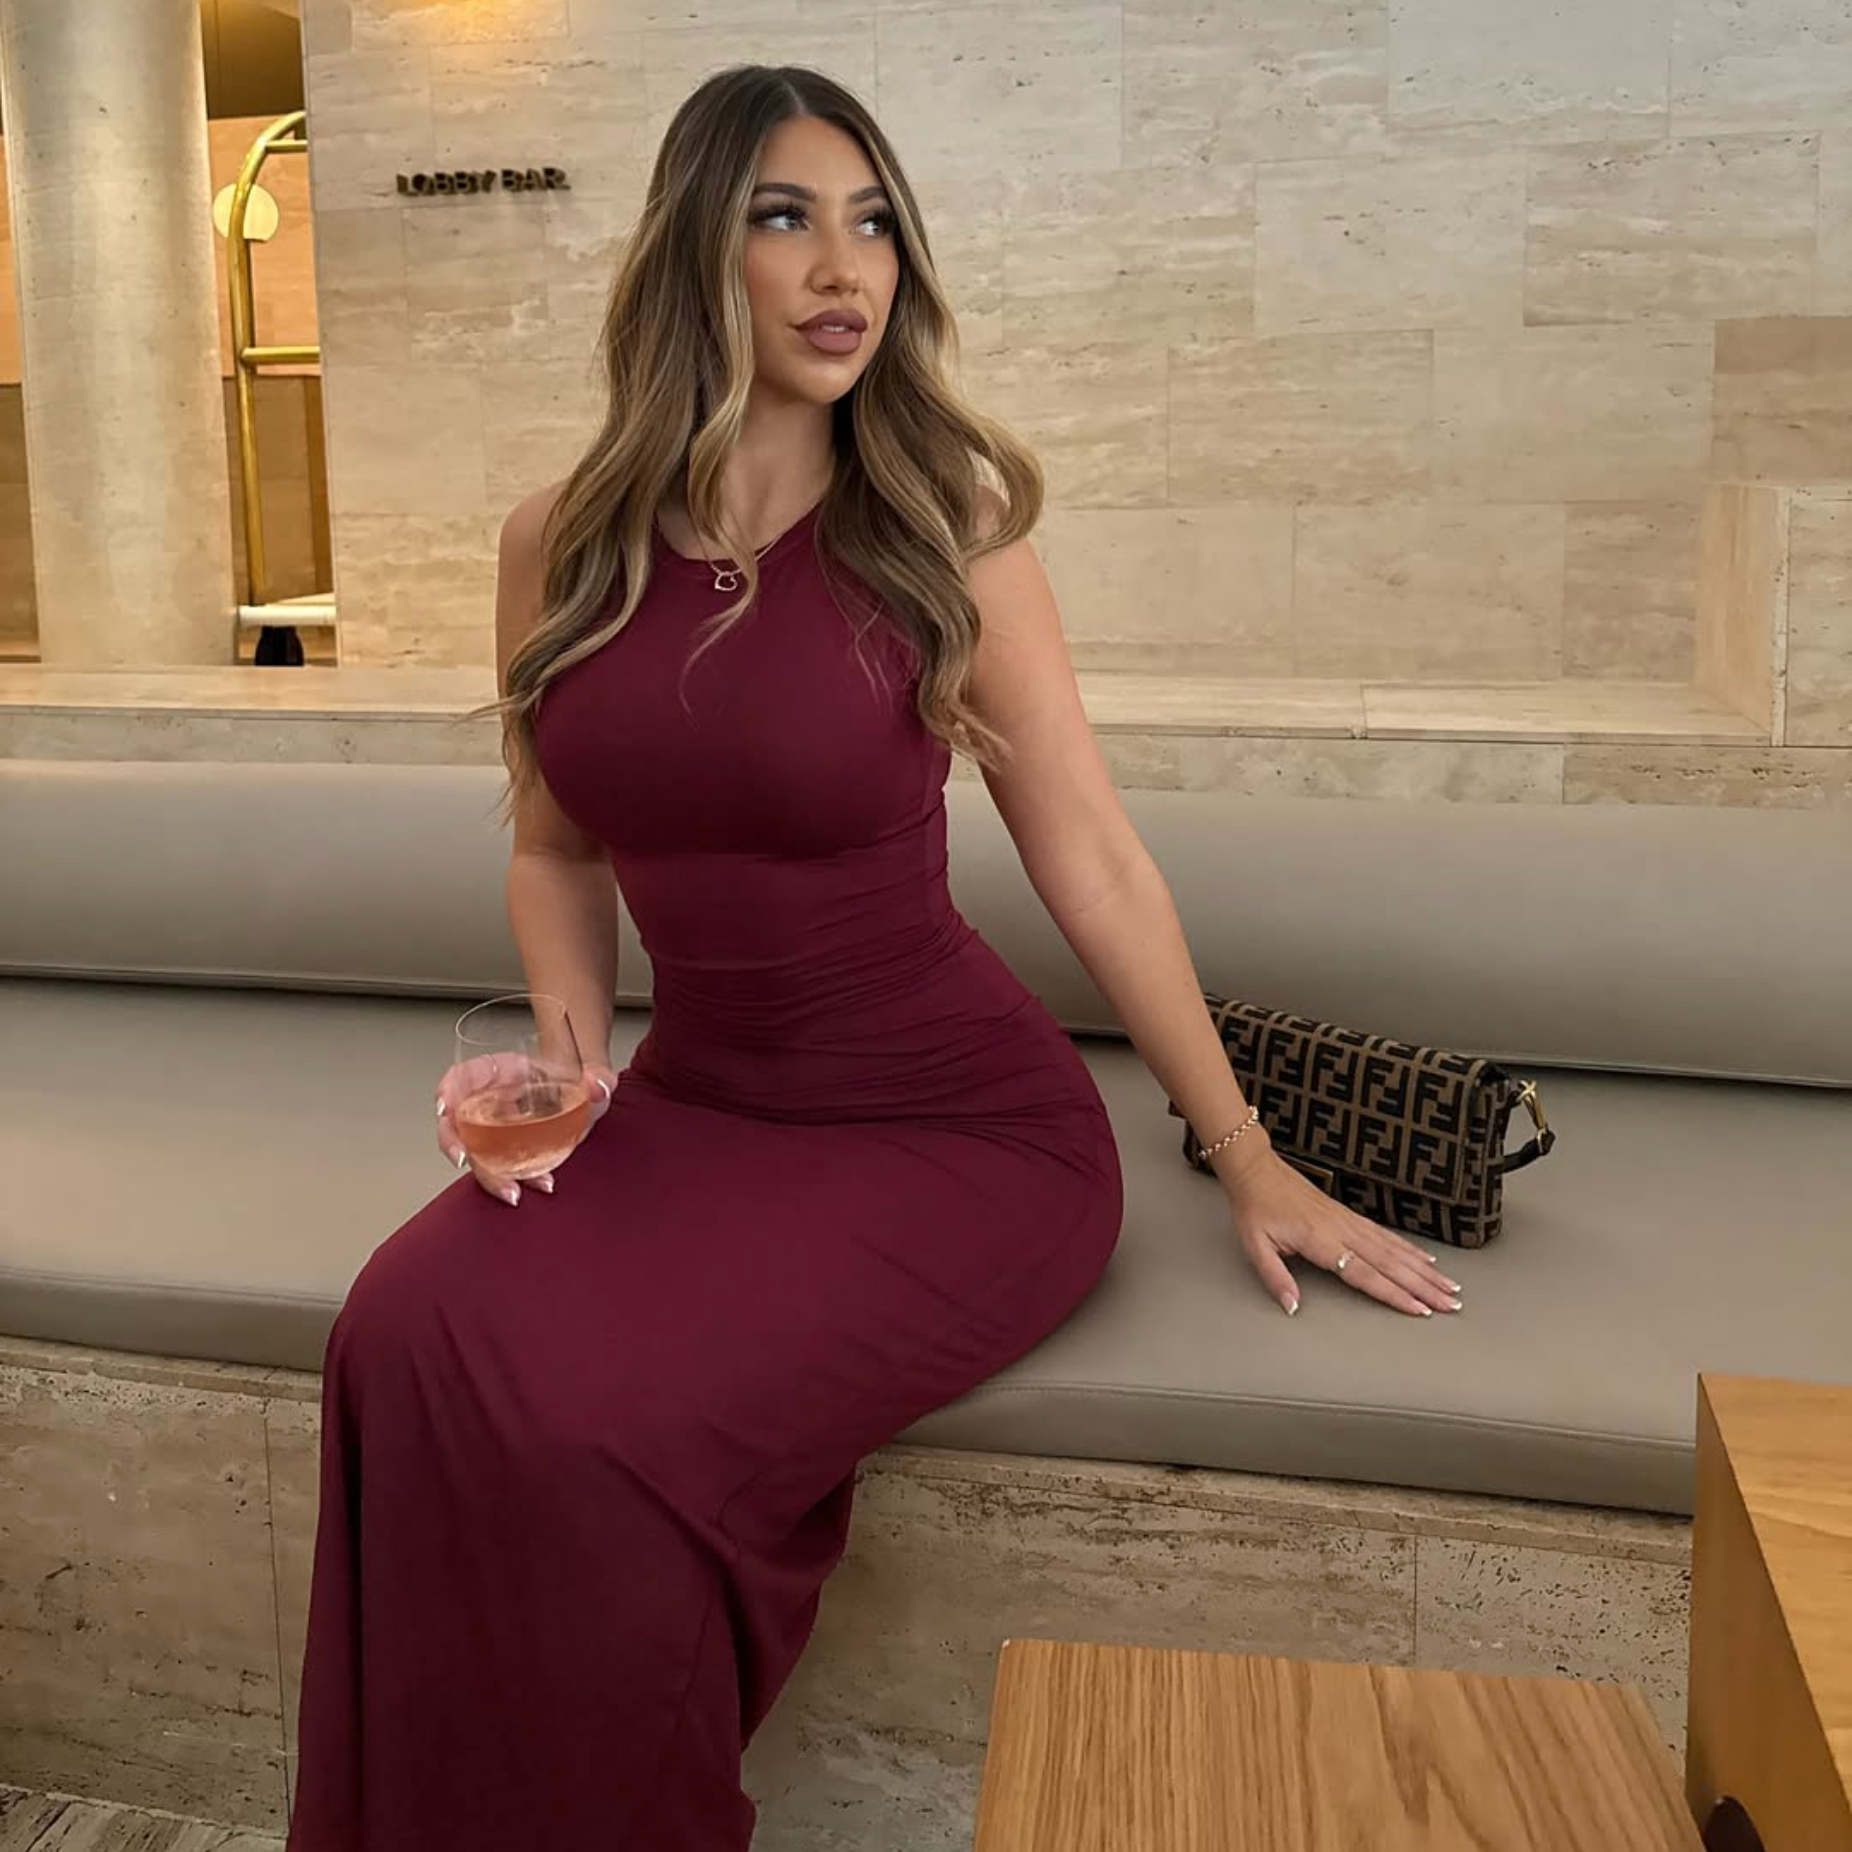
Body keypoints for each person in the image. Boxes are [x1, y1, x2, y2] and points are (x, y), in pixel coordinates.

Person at [286, 62, 1464, 1852]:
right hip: (693, 1108)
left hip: (955, 1134)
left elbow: (1095, 862)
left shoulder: (942, 537)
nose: (845, 269)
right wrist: (571, 1066)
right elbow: (553, 843)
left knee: (603, 1428)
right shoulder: (559, 545)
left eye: (874, 225)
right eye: (786, 218)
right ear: (698, 251)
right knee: (402, 1328)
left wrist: (1250, 1156)